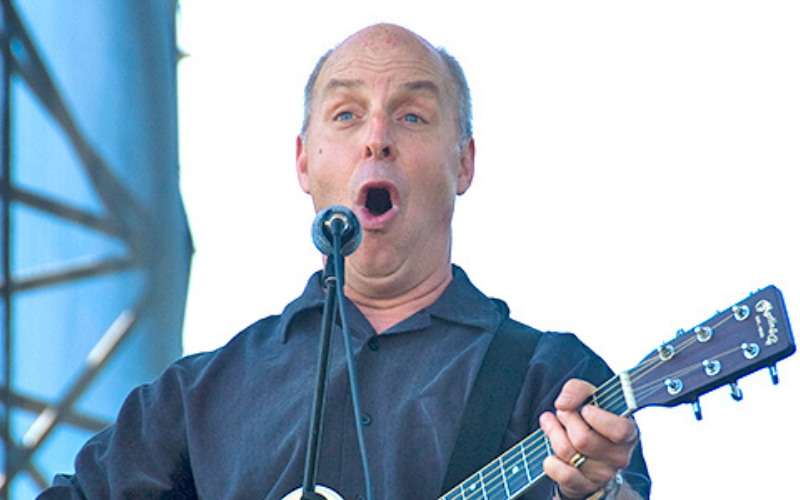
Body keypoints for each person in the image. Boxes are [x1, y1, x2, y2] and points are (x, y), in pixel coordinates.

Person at [40, 24, 649, 499]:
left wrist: (599, 493)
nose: (376, 137)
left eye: (412, 116)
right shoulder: (198, 397)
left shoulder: (550, 380)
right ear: (304, 162)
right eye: (347, 115)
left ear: (463, 163)